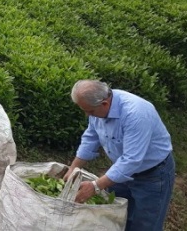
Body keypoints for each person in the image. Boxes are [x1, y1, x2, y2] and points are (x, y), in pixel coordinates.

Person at [63, 79, 175, 231]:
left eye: (90, 111)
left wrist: (95, 186)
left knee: (145, 224)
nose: (88, 115)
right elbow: (91, 137)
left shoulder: (136, 114)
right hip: (121, 170)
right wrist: (73, 168)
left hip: (153, 175)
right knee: (117, 217)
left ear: (104, 104)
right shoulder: (97, 109)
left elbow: (131, 160)